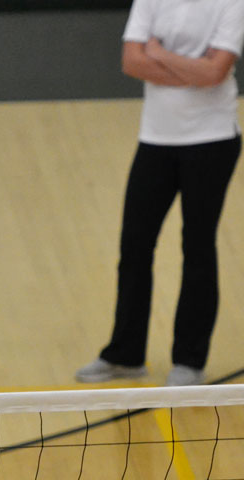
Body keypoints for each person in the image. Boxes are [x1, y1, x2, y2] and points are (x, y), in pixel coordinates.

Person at [76, 0, 244, 386]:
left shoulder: (230, 2)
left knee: (198, 247)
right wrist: (193, 70)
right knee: (135, 244)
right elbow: (132, 62)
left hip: (212, 140)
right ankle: (125, 354)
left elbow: (216, 72)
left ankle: (189, 362)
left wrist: (160, 55)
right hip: (155, 139)